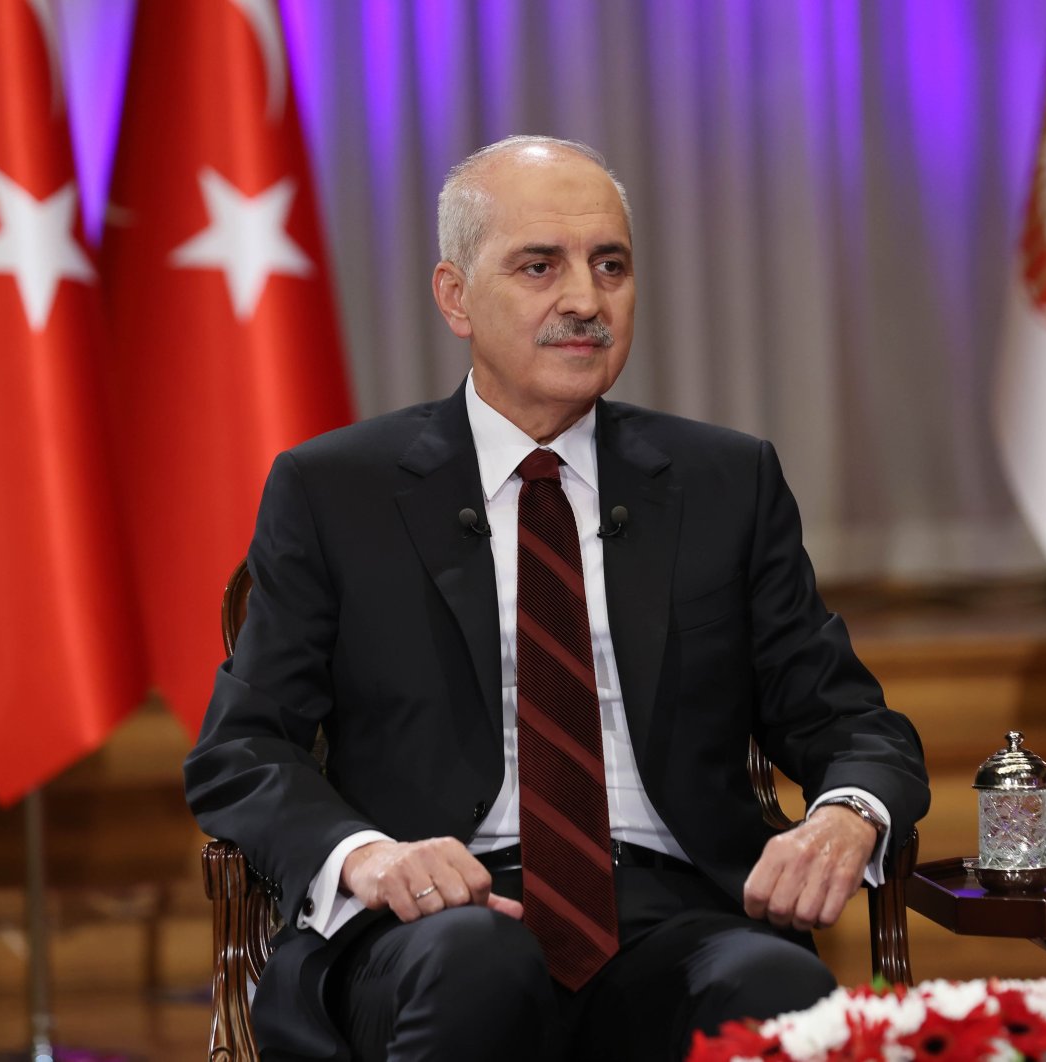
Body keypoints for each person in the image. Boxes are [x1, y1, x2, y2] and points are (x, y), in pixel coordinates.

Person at [184, 135, 929, 1061]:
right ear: (455, 296)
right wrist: (369, 857)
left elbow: (852, 722)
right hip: (430, 919)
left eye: (609, 265)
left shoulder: (723, 483)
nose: (585, 299)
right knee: (477, 963)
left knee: (777, 985)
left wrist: (847, 812)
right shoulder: (337, 490)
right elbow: (241, 749)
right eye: (540, 266)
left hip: (673, 910)